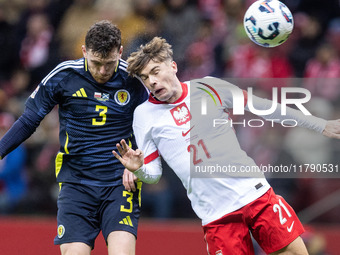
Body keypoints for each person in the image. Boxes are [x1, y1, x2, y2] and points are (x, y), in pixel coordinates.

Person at [113, 37, 340, 255]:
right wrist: (138, 168)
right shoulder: (144, 115)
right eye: (145, 78)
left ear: (172, 66)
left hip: (255, 195)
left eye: (155, 71)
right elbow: (153, 175)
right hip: (217, 217)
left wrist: (320, 125)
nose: (152, 81)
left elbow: (266, 108)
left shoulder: (209, 87)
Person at [0, 20, 148, 255]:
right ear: (84, 51)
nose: (102, 71)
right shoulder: (64, 76)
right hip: (76, 184)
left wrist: (142, 162)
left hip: (120, 183)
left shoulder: (135, 80)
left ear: (120, 52)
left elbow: (154, 124)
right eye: (96, 63)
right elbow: (29, 120)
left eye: (109, 63)